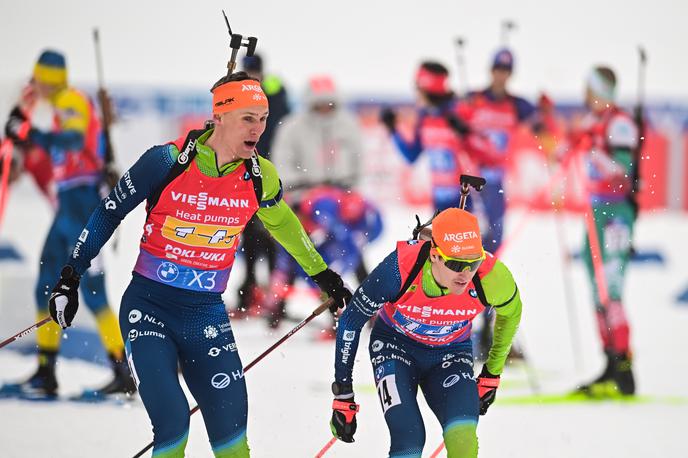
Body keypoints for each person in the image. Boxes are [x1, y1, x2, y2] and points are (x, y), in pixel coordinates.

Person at [46, 69, 351, 457]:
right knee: (173, 424)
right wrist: (70, 276)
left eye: (262, 119)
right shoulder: (166, 161)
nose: (257, 129)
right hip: (149, 308)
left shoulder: (260, 177)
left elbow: (286, 227)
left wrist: (323, 275)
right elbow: (109, 212)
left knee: (232, 435)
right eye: (247, 118)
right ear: (219, 116)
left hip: (205, 313)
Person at [328, 208, 522, 457]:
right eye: (455, 263)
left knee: (463, 441)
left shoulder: (492, 277)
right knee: (409, 439)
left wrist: (491, 374)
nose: (465, 273)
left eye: (473, 262)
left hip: (451, 354)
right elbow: (351, 322)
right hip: (394, 349)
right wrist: (343, 393)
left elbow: (511, 314)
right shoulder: (399, 268)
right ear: (434, 255)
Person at [0, 49, 134, 400]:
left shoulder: (70, 99)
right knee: (45, 284)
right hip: (68, 207)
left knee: (91, 292)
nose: (36, 85)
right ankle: (46, 372)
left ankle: (122, 371)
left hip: (84, 205)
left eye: (39, 79)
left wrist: (30, 134)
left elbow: (74, 140)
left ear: (50, 78)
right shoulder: (60, 104)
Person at [571, 66, 638, 396]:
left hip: (615, 214)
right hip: (594, 212)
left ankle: (624, 367)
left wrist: (593, 151)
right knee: (597, 289)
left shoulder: (619, 122)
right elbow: (569, 154)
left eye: (589, 87)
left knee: (611, 289)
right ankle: (609, 361)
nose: (585, 93)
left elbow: (622, 173)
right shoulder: (591, 122)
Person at [381, 61, 502, 213]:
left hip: (468, 200)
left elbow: (490, 154)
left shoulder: (459, 111)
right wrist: (393, 130)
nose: (416, 93)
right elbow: (411, 156)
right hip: (439, 203)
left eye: (418, 87)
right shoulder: (425, 117)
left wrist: (466, 134)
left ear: (426, 88)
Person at [262, 185, 383, 330]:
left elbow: (345, 241)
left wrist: (335, 270)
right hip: (348, 228)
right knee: (310, 269)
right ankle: (279, 311)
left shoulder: (320, 208)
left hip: (366, 226)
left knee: (324, 274)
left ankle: (359, 315)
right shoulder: (309, 212)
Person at [460, 48, 536, 252]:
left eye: (506, 70)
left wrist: (544, 111)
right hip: (472, 179)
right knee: (468, 239)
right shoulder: (474, 99)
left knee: (495, 241)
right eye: (498, 69)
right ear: (491, 70)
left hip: (495, 182)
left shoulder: (516, 105)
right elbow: (454, 121)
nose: (501, 74)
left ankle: (483, 282)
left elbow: (540, 123)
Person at [233, 53, 291, 314]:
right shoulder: (241, 91)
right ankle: (250, 291)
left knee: (270, 234)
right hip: (246, 166)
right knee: (249, 235)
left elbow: (281, 122)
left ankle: (270, 295)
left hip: (268, 168)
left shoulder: (273, 89)